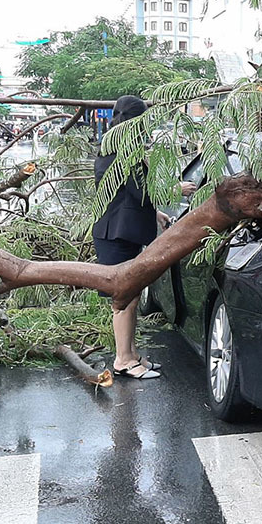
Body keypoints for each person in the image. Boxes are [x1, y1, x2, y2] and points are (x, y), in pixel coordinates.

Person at [93, 95, 196, 379]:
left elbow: (126, 196)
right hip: (115, 234)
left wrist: (156, 216)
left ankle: (132, 353)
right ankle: (123, 360)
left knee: (133, 295)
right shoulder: (124, 153)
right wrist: (177, 189)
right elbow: (144, 192)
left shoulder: (112, 146)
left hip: (118, 231)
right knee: (124, 298)